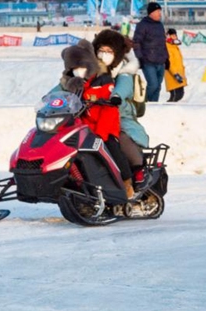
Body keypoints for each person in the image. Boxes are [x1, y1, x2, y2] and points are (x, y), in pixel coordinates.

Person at [59, 39, 135, 198]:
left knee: (111, 148)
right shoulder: (75, 85)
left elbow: (109, 109)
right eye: (73, 68)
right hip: (84, 128)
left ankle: (127, 183)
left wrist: (100, 133)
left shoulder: (103, 80)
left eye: (80, 67)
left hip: (105, 126)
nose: (77, 71)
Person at [93, 29, 152, 193]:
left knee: (121, 136)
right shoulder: (91, 69)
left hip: (120, 115)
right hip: (94, 114)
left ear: (117, 53)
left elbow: (124, 86)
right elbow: (70, 83)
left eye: (109, 51)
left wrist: (116, 96)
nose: (104, 54)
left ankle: (138, 170)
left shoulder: (124, 71)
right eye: (101, 50)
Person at [132, 2, 168, 102]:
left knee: (158, 87)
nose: (160, 14)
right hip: (148, 61)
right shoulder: (142, 25)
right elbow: (136, 42)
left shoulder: (160, 25)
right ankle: (144, 104)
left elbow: (163, 43)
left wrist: (167, 58)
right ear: (151, 13)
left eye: (160, 11)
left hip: (161, 61)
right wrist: (140, 58)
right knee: (153, 85)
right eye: (158, 11)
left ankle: (153, 106)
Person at [164, 28, 187, 103]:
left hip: (179, 74)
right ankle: (166, 111)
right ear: (168, 36)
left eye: (175, 35)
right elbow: (169, 63)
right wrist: (175, 74)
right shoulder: (167, 47)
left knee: (180, 94)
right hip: (172, 75)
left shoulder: (175, 47)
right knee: (175, 96)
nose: (175, 37)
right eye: (172, 35)